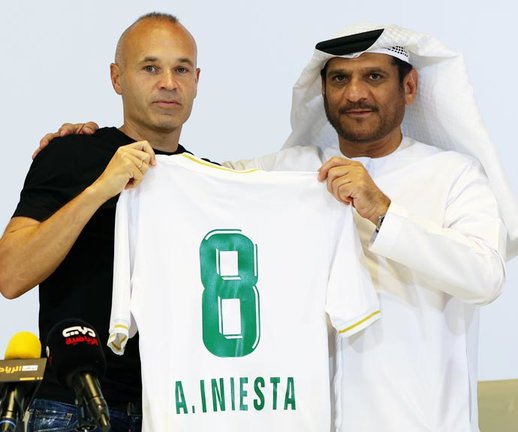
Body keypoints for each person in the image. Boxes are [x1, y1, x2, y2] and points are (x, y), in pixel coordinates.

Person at [52, 24, 518, 431]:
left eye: (373, 76)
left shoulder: (455, 174)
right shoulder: (291, 172)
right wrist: (88, 145)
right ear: (323, 92)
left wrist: (382, 211)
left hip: (417, 422)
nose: (355, 93)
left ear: (410, 87)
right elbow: (181, 175)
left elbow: (485, 276)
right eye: (340, 79)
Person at [0, 12, 203, 432]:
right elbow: (11, 274)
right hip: (69, 406)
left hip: (173, 411)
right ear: (117, 78)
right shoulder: (71, 154)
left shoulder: (209, 179)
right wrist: (99, 189)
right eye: (150, 67)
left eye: (181, 68)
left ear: (197, 80)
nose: (169, 82)